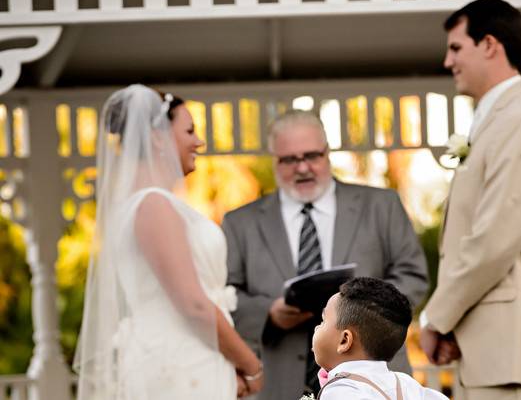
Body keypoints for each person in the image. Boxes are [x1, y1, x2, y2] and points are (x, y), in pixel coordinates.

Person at [419, 0, 521, 400]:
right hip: (492, 349)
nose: (448, 62)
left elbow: (495, 239)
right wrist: (455, 325)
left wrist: (436, 318)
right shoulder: (497, 121)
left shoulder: (519, 121)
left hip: (514, 351)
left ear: (489, 45)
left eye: (455, 48)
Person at [222, 110, 428, 400]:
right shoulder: (240, 222)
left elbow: (413, 277)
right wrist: (269, 313)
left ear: (327, 153)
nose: (302, 167)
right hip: (277, 382)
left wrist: (359, 315)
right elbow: (223, 297)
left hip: (370, 384)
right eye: (290, 159)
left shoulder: (381, 205)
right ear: (275, 160)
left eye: (312, 156)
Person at [74, 85, 263, 400]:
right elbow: (193, 304)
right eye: (189, 130)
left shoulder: (149, 204)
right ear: (157, 136)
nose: (199, 141)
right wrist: (251, 365)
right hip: (180, 364)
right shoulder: (153, 205)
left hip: (190, 355)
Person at [312, 277, 448, 400]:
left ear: (345, 340)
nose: (316, 328)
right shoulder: (405, 383)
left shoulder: (341, 392)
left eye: (323, 321)